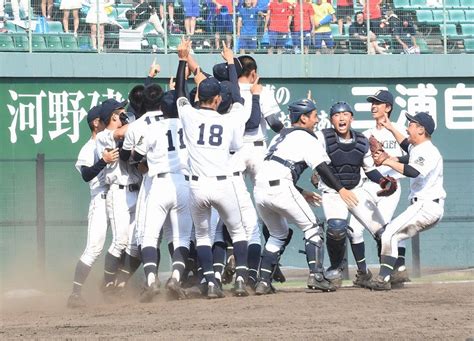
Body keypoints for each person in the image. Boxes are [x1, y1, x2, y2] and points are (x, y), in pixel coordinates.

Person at [175, 39, 249, 299]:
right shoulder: (229, 120)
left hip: (197, 185)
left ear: (199, 97)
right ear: (218, 99)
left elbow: (180, 94)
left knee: (203, 236)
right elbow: (238, 98)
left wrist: (183, 59)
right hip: (222, 183)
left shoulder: (189, 115)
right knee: (238, 231)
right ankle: (240, 279)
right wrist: (231, 62)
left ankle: (210, 283)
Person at [254, 98, 347, 295]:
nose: (316, 121)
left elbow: (275, 169)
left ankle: (262, 281)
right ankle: (317, 275)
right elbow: (322, 168)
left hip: (261, 189)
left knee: (278, 234)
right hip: (281, 187)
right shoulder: (306, 138)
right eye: (313, 117)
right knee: (312, 227)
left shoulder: (280, 137)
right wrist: (341, 189)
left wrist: (301, 191)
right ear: (303, 118)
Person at [314, 101, 396, 287]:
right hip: (333, 192)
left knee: (383, 232)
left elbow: (369, 170)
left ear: (352, 118)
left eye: (345, 114)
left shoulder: (361, 141)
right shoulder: (322, 137)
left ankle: (386, 275)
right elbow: (320, 165)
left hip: (356, 190)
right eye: (336, 115)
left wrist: (383, 181)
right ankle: (335, 268)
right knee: (336, 229)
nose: (341, 118)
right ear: (330, 119)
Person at [367, 111, 446, 290]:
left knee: (389, 234)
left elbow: (413, 171)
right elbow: (406, 148)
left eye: (411, 124)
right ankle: (398, 272)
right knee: (396, 235)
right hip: (424, 205)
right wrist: (390, 127)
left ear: (421, 129)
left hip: (427, 206)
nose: (407, 126)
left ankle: (383, 279)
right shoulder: (418, 148)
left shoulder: (428, 151)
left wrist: (387, 161)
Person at [133, 90, 193, 302]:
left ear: (162, 109)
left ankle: (151, 281)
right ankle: (176, 278)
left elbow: (136, 156)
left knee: (149, 236)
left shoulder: (153, 127)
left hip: (158, 182)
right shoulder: (189, 127)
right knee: (181, 238)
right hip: (183, 184)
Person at [348, 90, 408, 288]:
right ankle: (363, 272)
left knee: (384, 229)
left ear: (388, 108)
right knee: (353, 230)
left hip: (390, 186)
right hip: (368, 186)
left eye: (378, 103)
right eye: (372, 103)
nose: (373, 106)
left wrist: (391, 159)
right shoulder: (366, 135)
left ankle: (390, 272)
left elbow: (413, 156)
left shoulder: (399, 130)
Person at [66, 105, 119, 308]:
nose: (111, 119)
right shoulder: (89, 147)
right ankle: (75, 294)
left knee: (125, 242)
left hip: (118, 197)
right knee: (94, 248)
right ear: (96, 123)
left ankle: (111, 287)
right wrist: (103, 161)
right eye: (106, 117)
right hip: (100, 199)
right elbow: (86, 175)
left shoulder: (113, 139)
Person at [95, 99, 141, 299]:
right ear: (113, 116)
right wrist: (145, 120)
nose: (124, 112)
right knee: (120, 241)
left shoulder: (128, 130)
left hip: (136, 191)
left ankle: (120, 284)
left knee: (135, 243)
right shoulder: (104, 136)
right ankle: (106, 283)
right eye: (120, 110)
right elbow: (121, 133)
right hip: (118, 192)